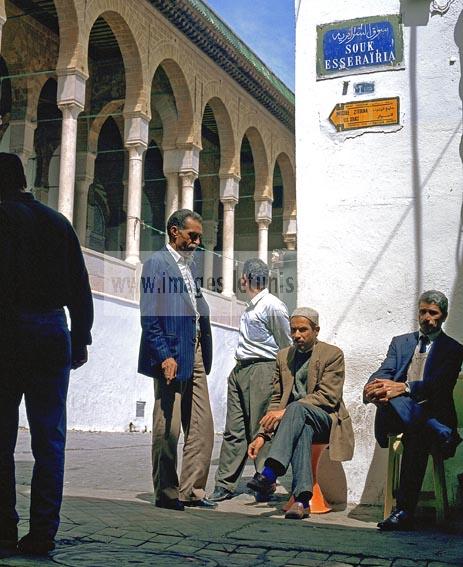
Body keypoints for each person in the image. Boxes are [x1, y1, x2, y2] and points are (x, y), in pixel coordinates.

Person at [0, 153, 93, 555]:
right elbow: (80, 284)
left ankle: (3, 528)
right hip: (53, 331)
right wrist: (81, 338)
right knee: (49, 439)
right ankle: (42, 534)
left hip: (8, 331)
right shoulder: (58, 222)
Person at [364, 290, 463, 531]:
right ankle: (439, 431)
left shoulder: (453, 349)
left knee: (416, 434)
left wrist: (404, 387)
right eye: (423, 312)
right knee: (389, 397)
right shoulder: (401, 342)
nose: (427, 318)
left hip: (431, 412)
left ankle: (404, 510)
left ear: (444, 316)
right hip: (397, 417)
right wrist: (374, 385)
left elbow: (438, 387)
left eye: (433, 313)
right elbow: (384, 371)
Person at [138, 209, 216, 510]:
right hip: (170, 353)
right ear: (174, 232)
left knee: (202, 425)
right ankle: (167, 493)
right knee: (168, 427)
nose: (196, 242)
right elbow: (149, 316)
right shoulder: (156, 264)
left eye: (199, 237)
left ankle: (192, 490)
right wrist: (164, 355)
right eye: (192, 236)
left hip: (194, 351)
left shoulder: (189, 267)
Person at [246, 307, 354, 519]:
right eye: (293, 330)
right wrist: (261, 435)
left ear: (316, 330)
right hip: (297, 423)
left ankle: (269, 473)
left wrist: (285, 412)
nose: (297, 335)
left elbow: (328, 397)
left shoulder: (332, 354)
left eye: (303, 330)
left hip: (326, 420)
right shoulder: (284, 356)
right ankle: (302, 501)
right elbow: (276, 400)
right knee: (302, 428)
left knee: (296, 408)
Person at [209, 258, 291, 502]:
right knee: (234, 429)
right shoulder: (251, 306)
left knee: (261, 426)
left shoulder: (272, 306)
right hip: (241, 369)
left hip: (263, 370)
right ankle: (225, 484)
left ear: (245, 278)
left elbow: (285, 344)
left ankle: (264, 481)